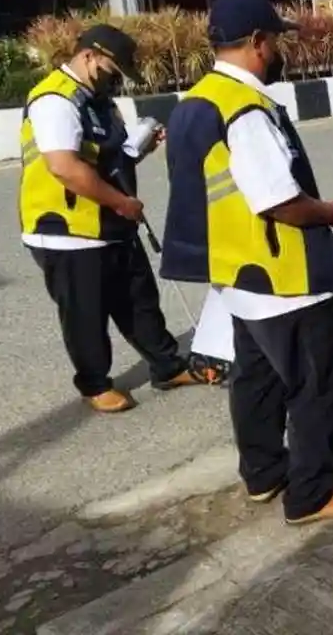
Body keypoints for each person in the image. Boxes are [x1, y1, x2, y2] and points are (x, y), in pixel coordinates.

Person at [159, 0, 333, 525]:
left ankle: (263, 475)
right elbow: (279, 201)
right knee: (315, 387)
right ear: (258, 43)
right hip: (283, 277)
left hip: (237, 275)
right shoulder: (245, 111)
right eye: (276, 40)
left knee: (256, 380)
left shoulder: (194, 102)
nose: (281, 51)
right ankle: (313, 495)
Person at [19, 23, 210, 414]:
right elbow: (64, 167)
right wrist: (122, 203)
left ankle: (167, 366)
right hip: (68, 230)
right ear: (90, 57)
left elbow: (106, 155)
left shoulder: (99, 100)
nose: (116, 80)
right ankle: (94, 383)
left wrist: (138, 150)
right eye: (114, 71)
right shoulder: (55, 100)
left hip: (111, 223)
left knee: (139, 300)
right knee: (85, 313)